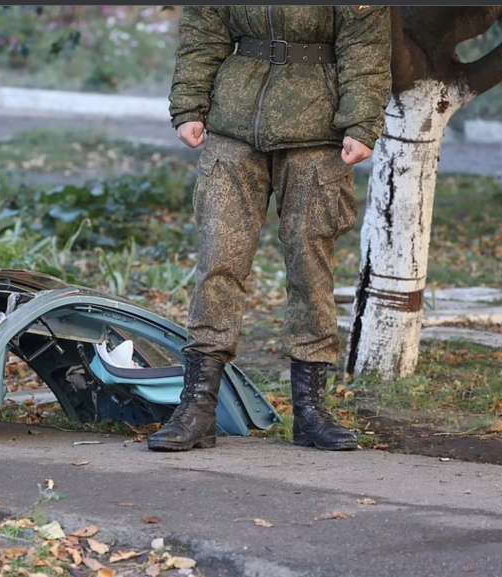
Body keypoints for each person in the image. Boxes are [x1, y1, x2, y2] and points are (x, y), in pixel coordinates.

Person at [148, 6, 392, 452]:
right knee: (218, 262)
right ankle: (197, 407)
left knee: (310, 268)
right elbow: (205, 29)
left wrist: (362, 122)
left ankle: (312, 411)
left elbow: (364, 47)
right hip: (233, 127)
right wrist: (188, 105)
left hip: (318, 133)